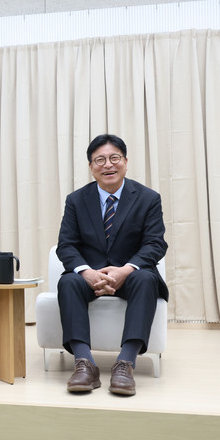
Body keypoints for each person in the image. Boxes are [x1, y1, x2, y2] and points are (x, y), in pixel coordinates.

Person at [56, 134, 168, 396]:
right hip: (90, 275)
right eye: (100, 160)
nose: (108, 165)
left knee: (146, 278)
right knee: (68, 281)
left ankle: (125, 363)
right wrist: (87, 272)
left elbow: (155, 244)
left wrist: (126, 270)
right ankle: (84, 364)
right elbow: (66, 245)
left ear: (125, 162)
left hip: (130, 275)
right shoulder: (76, 200)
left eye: (114, 158)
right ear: (91, 166)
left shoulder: (148, 198)